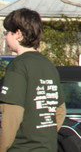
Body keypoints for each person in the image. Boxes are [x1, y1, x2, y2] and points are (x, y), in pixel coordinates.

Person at [0, 8, 66, 152]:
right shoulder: (48, 64)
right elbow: (60, 110)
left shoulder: (18, 65)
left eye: (7, 32)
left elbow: (12, 114)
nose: (5, 37)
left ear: (18, 34)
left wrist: (2, 147)